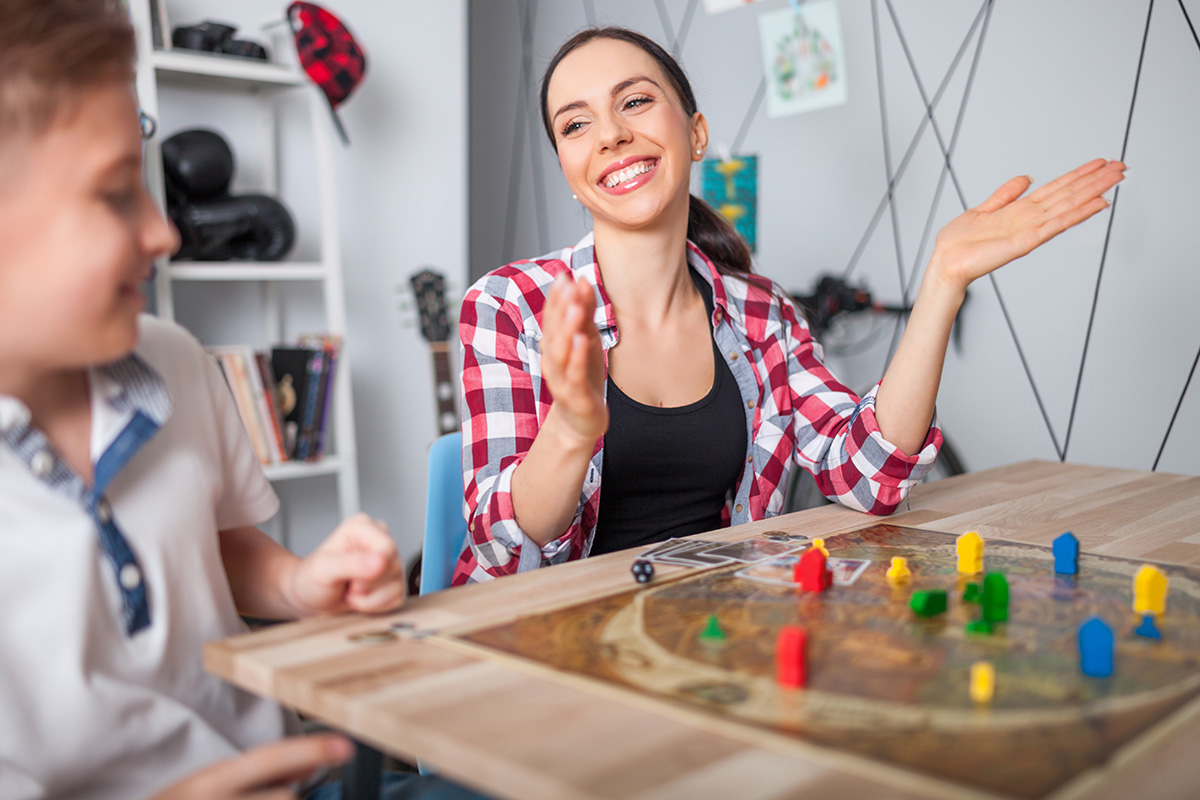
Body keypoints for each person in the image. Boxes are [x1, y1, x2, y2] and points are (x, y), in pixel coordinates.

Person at [0, 2, 484, 799]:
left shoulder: (173, 359)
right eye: (117, 194)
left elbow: (216, 542)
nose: (164, 234)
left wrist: (299, 585)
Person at [453, 26, 1125, 585]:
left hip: (708, 637)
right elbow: (506, 550)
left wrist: (944, 281)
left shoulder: (761, 314)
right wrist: (571, 429)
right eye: (576, 124)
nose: (609, 136)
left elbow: (868, 476)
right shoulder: (511, 305)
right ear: (570, 172)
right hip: (546, 644)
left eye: (634, 102)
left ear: (696, 133)